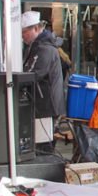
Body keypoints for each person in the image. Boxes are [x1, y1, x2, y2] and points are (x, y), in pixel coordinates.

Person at [21, 10, 65, 155]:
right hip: (45, 102)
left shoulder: (43, 48)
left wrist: (17, 81)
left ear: (35, 28)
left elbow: (34, 74)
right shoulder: (39, 46)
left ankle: (46, 175)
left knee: (43, 147)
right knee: (42, 144)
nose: (22, 36)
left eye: (24, 32)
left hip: (46, 104)